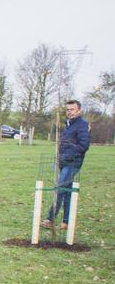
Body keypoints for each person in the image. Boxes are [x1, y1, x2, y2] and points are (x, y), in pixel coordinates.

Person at [43, 99, 91, 230]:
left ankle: (50, 219)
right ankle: (66, 222)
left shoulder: (82, 125)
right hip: (64, 162)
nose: (69, 112)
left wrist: (68, 156)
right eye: (68, 110)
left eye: (72, 109)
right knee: (67, 191)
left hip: (73, 162)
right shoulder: (68, 124)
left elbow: (84, 145)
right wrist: (60, 158)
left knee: (60, 188)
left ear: (79, 110)